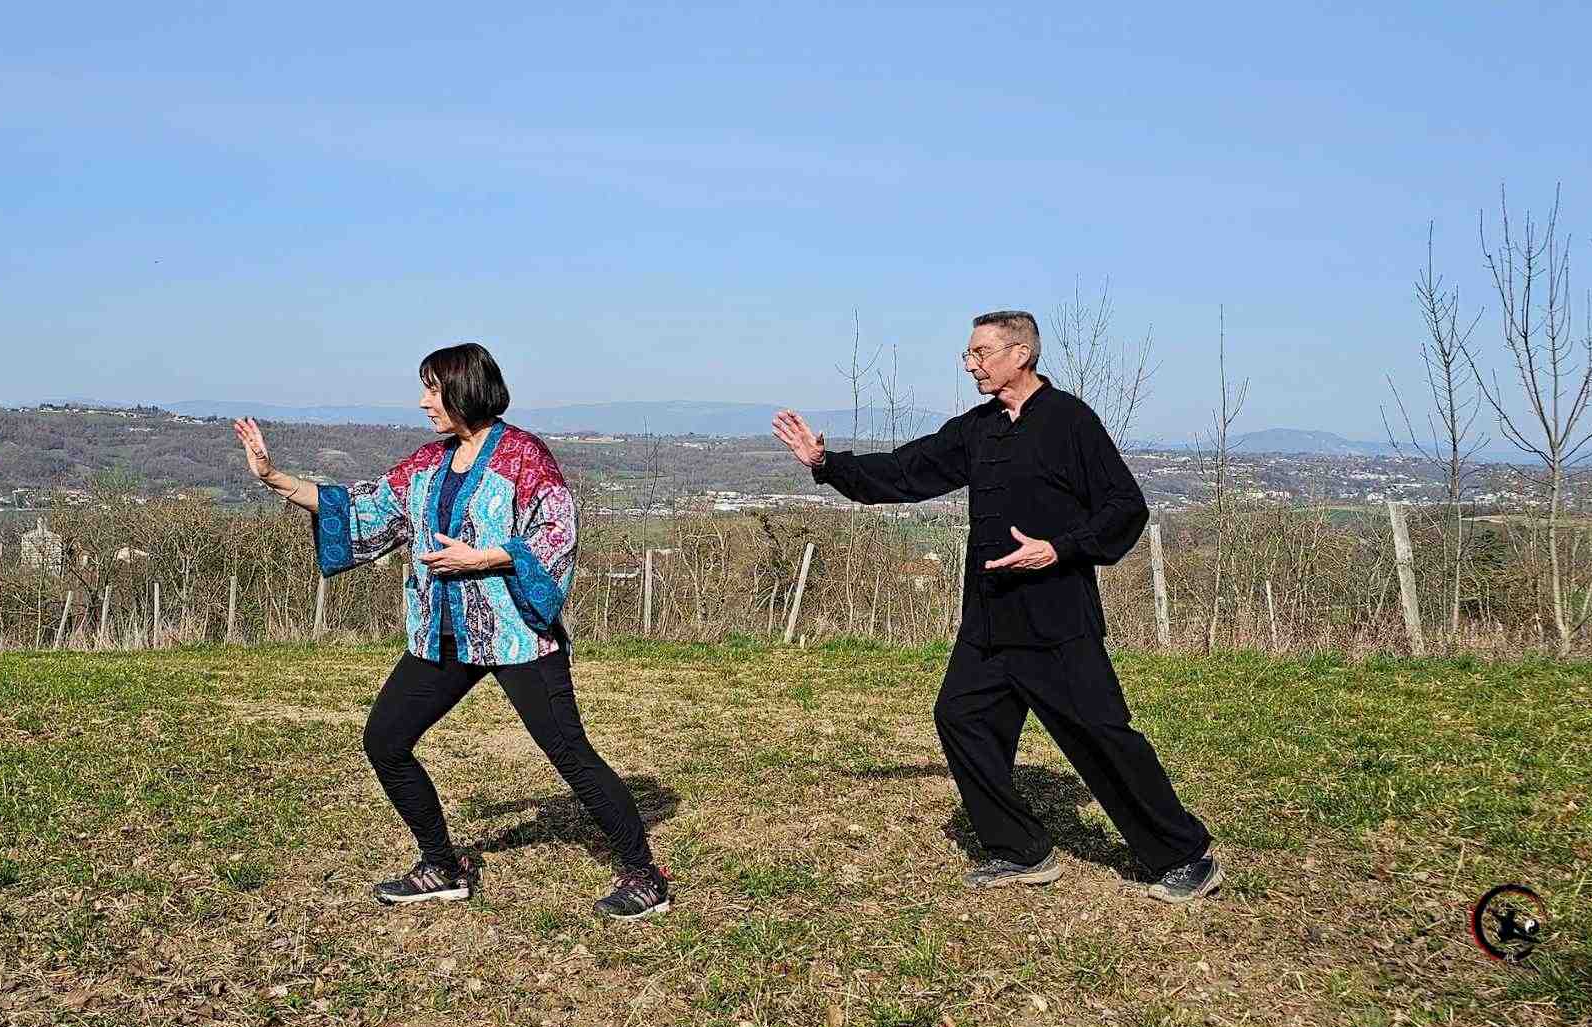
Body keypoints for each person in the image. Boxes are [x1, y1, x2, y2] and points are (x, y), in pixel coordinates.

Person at [772, 311, 1221, 903]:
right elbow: (909, 471)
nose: (970, 364)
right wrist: (827, 464)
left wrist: (1059, 548)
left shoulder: (1070, 423)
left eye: (980, 352)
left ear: (1020, 354)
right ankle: (1020, 849)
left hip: (1056, 618)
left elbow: (1124, 508)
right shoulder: (979, 429)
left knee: (1100, 735)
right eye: (969, 353)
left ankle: (1184, 855)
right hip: (988, 620)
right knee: (962, 718)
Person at [233, 343, 671, 920]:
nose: (423, 402)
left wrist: (484, 558)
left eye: (432, 389)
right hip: (443, 634)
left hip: (517, 634)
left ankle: (645, 876)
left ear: (464, 388)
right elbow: (363, 506)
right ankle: (442, 867)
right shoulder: (428, 462)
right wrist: (273, 478)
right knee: (385, 741)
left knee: (568, 753)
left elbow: (558, 534)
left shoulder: (523, 457)